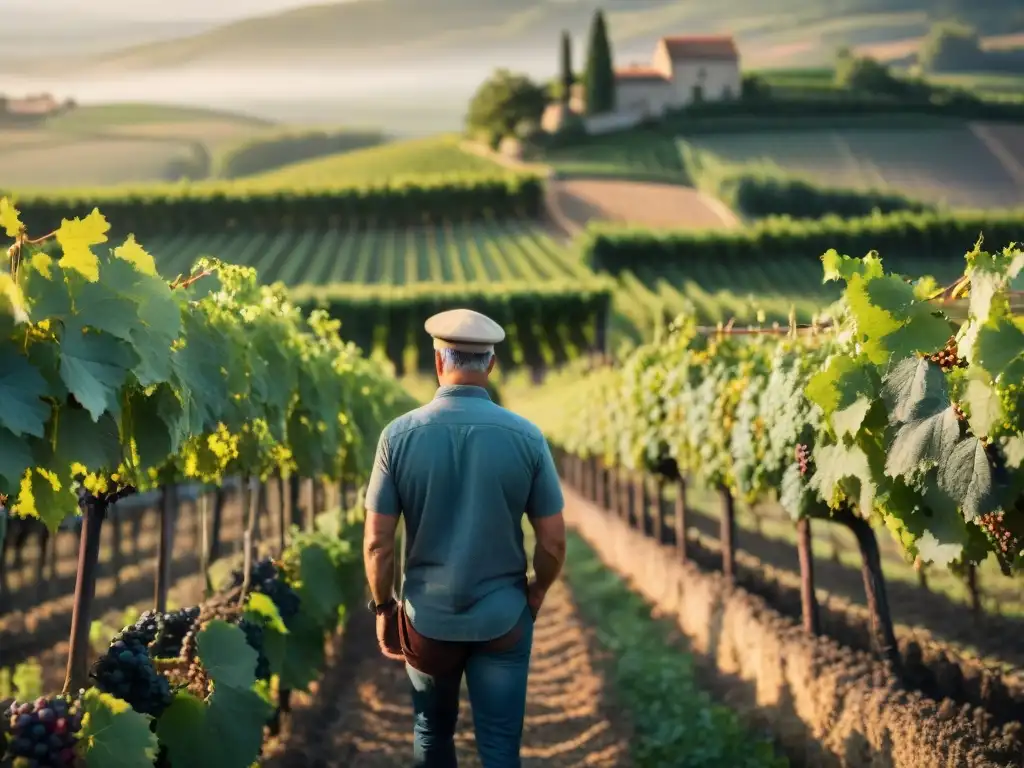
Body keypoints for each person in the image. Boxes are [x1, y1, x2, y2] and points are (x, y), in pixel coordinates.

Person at [362, 307, 567, 768]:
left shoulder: (397, 437)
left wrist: (383, 606)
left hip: (426, 619)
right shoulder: (528, 438)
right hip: (503, 616)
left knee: (431, 734)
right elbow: (553, 542)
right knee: (498, 746)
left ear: (438, 361)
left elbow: (377, 543)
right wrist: (535, 592)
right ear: (491, 365)